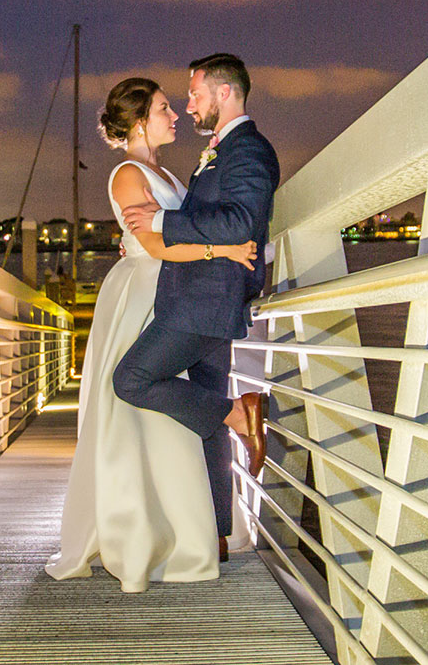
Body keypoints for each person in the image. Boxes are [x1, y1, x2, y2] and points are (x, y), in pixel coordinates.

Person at [45, 76, 258, 593]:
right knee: (133, 402)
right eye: (164, 108)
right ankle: (141, 524)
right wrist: (223, 252)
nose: (175, 115)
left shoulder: (169, 175)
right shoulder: (126, 175)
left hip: (175, 290)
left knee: (163, 405)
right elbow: (159, 246)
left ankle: (193, 524)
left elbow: (177, 228)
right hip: (143, 293)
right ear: (139, 120)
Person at [115, 53, 279, 551]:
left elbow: (238, 223)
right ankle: (217, 534)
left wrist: (161, 225)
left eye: (195, 94)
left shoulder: (247, 149)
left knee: (133, 379)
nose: (189, 106)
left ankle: (238, 412)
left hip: (206, 298)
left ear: (223, 94)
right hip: (201, 294)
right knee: (205, 415)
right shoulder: (221, 151)